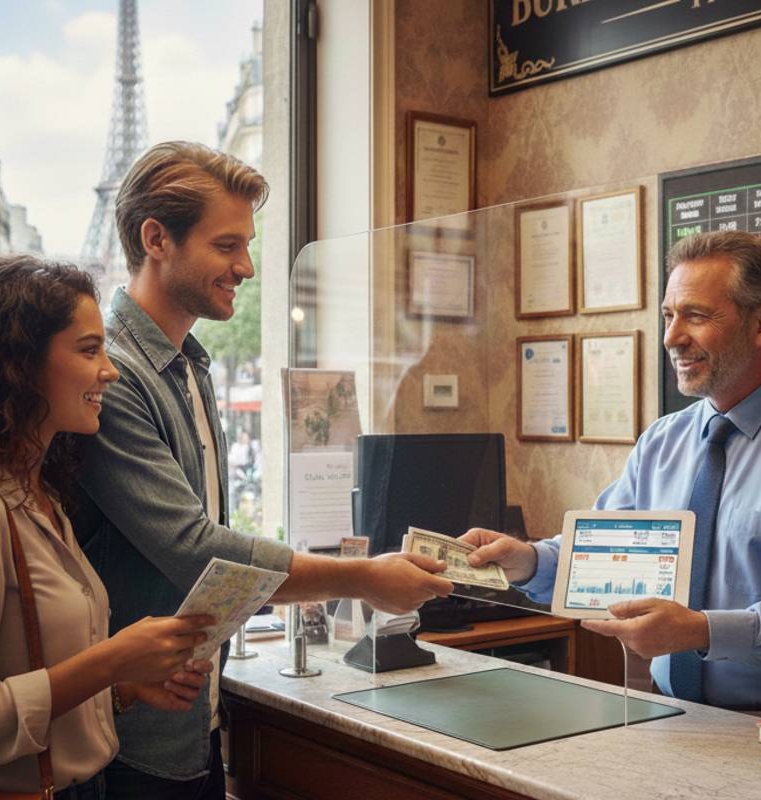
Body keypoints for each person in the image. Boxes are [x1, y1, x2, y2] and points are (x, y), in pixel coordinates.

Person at [73, 141, 453, 799]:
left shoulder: (190, 366)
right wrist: (363, 578)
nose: (245, 266)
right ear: (155, 238)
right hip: (132, 748)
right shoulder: (117, 380)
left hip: (192, 721)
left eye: (246, 246)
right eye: (226, 246)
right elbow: (196, 550)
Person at [463, 230, 761, 709]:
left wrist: (704, 630)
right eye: (668, 316)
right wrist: (528, 561)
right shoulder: (662, 440)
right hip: (666, 710)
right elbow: (598, 555)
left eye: (696, 316)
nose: (671, 338)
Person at [0, 257, 219, 797]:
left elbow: (32, 682)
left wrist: (124, 685)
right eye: (88, 350)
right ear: (17, 364)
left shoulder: (41, 499)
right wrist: (112, 659)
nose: (110, 370)